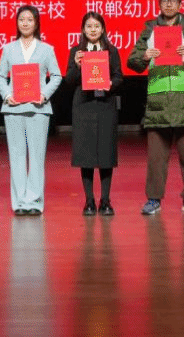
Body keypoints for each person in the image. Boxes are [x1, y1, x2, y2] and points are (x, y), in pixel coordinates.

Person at [127, 0, 184, 215]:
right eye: (164, 0)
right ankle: (153, 199)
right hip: (158, 104)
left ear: (180, 4)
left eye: (173, 0)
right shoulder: (149, 30)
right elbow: (132, 61)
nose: (168, 4)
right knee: (156, 160)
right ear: (159, 4)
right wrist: (144, 56)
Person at [0, 4, 62, 216]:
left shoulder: (47, 49)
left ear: (36, 23)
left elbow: (57, 76)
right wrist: (7, 95)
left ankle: (34, 201)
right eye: (21, 19)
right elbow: (0, 76)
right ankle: (19, 202)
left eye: (29, 20)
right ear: (17, 23)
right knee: (16, 157)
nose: (25, 23)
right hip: (13, 108)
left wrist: (44, 94)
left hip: (38, 109)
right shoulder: (8, 49)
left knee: (36, 157)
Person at [65, 12, 124, 216]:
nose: (93, 30)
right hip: (84, 106)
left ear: (103, 29)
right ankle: (89, 201)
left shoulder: (111, 51)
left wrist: (111, 84)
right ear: (83, 29)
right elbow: (69, 81)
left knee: (106, 153)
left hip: (105, 104)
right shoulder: (76, 51)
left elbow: (119, 77)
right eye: (89, 26)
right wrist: (77, 65)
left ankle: (105, 200)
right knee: (86, 154)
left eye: (97, 26)